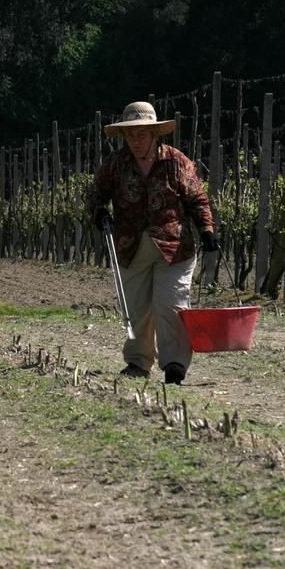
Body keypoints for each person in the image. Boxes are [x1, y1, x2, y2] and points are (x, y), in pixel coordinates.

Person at [86, 101, 218, 385]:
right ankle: (138, 362)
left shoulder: (176, 161)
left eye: (141, 133)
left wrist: (206, 228)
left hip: (174, 246)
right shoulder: (115, 165)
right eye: (130, 134)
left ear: (154, 134)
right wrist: (98, 212)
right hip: (131, 247)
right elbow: (95, 195)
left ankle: (174, 365)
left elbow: (197, 198)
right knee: (136, 308)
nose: (135, 140)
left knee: (171, 304)